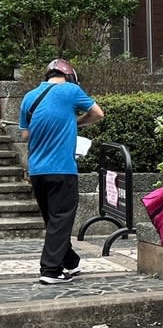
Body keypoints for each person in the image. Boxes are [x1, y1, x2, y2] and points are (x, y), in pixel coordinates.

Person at [19, 58, 104, 285]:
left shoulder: (29, 97)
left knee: (54, 220)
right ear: (69, 75)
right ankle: (50, 270)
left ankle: (71, 262)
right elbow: (98, 113)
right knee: (61, 219)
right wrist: (75, 123)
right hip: (62, 169)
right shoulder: (71, 90)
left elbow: (25, 135)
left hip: (37, 170)